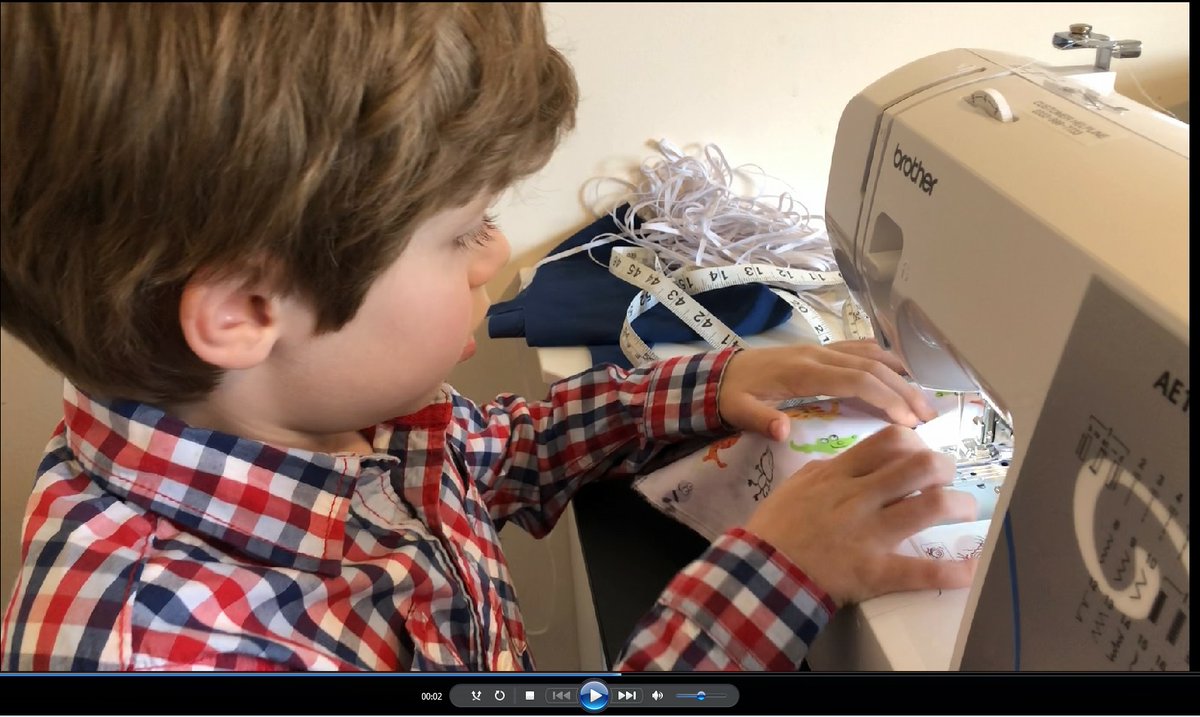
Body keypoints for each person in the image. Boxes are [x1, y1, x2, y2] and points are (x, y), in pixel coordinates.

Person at [0, 3, 977, 671]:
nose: (497, 252)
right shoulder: (163, 648)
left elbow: (495, 449)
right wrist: (771, 579)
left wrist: (709, 385)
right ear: (246, 314)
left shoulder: (322, 414)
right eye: (463, 232)